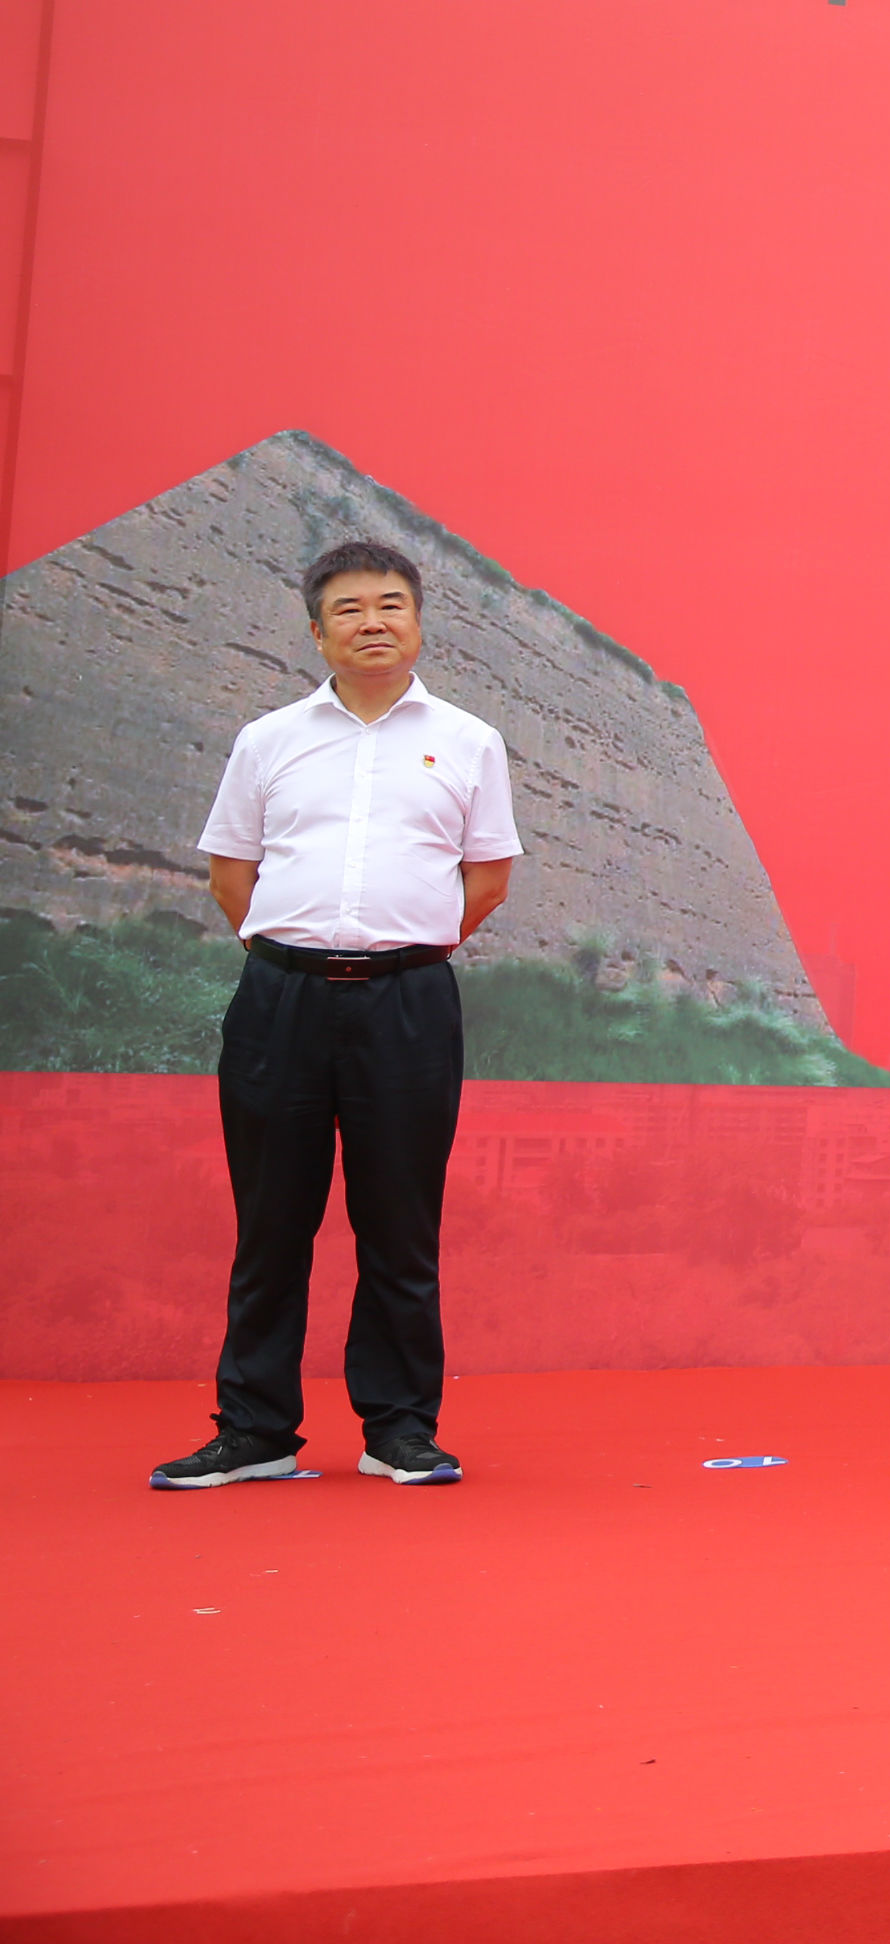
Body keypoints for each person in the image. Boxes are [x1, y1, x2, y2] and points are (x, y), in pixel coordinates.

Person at [155, 541, 520, 1490]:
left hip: (408, 1003)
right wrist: (296, 954)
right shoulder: (269, 739)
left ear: (419, 623)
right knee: (270, 1222)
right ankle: (255, 1430)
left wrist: (399, 948)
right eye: (349, 609)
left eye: (391, 605)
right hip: (280, 999)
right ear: (317, 632)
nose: (373, 622)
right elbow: (231, 872)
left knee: (400, 1225)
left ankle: (399, 1429)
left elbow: (486, 880)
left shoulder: (470, 741)